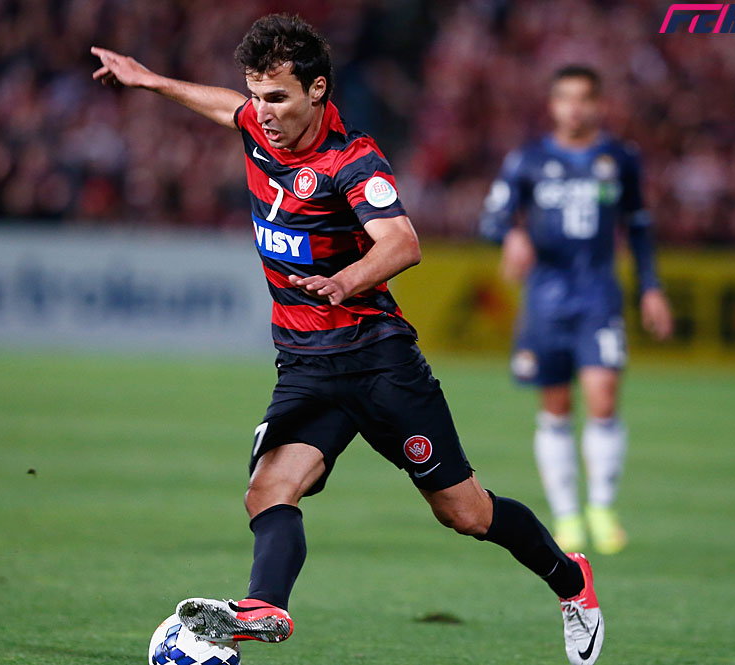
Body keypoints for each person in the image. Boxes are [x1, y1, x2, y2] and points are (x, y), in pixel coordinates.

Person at [92, 14, 604, 665]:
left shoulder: (352, 160)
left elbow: (403, 242)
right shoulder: (259, 127)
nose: (262, 112)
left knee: (466, 513)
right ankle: (265, 606)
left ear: (317, 90)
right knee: (268, 489)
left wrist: (346, 280)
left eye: (277, 97)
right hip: (306, 365)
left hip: (377, 361)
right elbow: (226, 108)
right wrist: (152, 81)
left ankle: (570, 579)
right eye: (256, 95)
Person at [479, 65, 673, 555]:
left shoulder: (619, 158)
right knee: (556, 405)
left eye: (584, 98)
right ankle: (567, 515)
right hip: (545, 300)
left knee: (603, 397)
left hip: (598, 295)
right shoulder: (528, 159)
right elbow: (492, 218)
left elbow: (639, 226)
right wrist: (512, 235)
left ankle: (602, 508)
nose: (574, 108)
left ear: (598, 104)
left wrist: (651, 288)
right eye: (565, 98)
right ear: (552, 105)